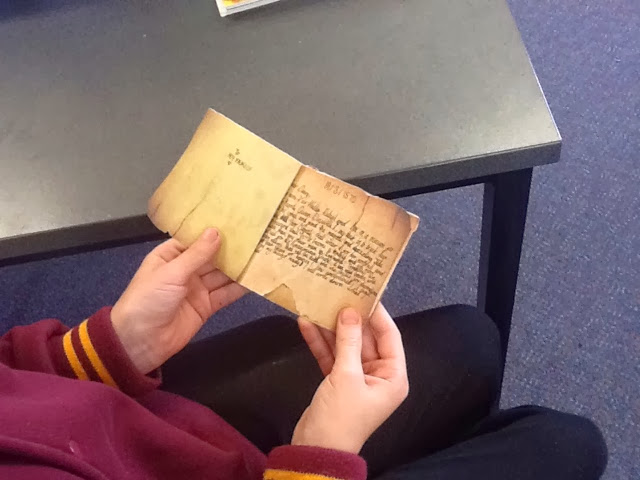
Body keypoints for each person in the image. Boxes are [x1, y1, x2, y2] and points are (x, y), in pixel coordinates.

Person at [0, 229, 607, 480]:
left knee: (470, 339)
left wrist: (106, 350)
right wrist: (319, 460)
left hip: (160, 432)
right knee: (565, 445)